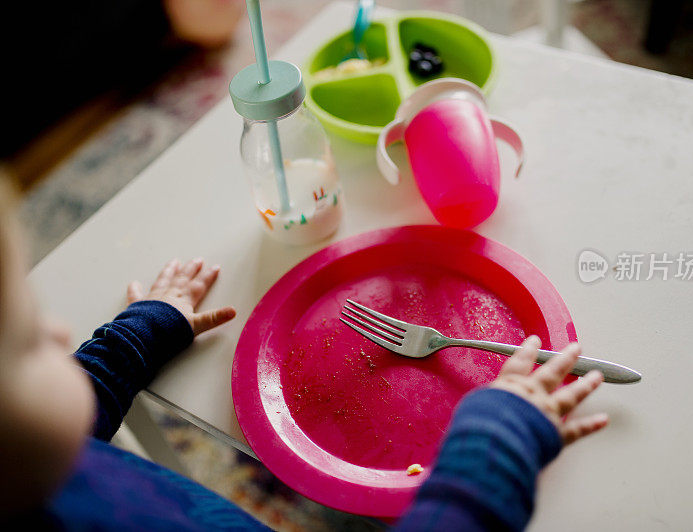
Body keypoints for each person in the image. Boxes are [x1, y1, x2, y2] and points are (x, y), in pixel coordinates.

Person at [0, 177, 608, 530]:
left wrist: (136, 336)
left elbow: (66, 417)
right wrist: (496, 450)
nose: (58, 334)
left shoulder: (28, 463)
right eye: (26, 340)